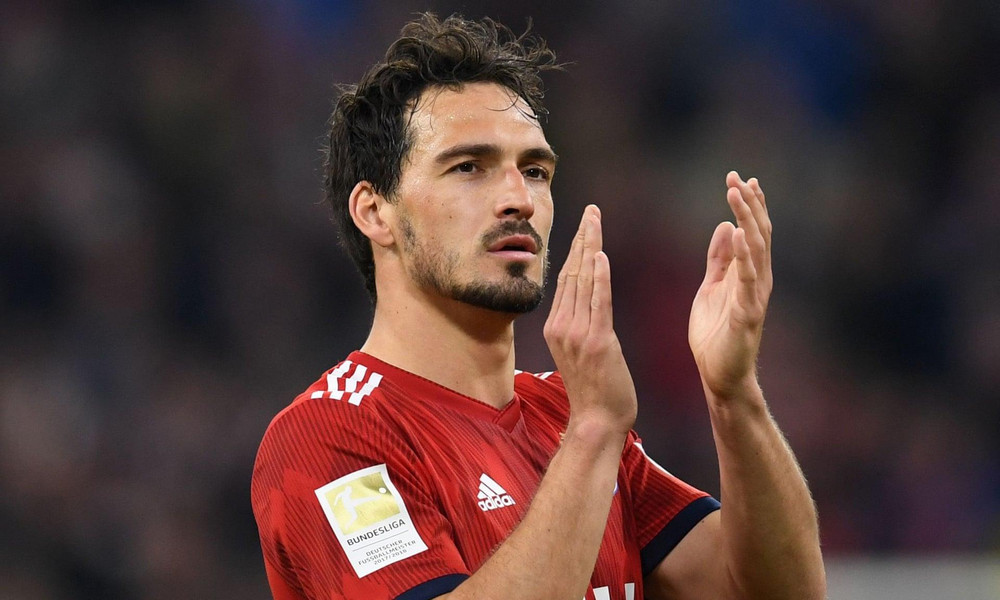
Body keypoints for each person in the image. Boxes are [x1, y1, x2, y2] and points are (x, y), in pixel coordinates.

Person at [250, 13, 825, 600]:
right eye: (468, 167)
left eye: (534, 171)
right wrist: (594, 432)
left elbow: (774, 593)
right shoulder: (330, 434)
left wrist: (733, 394)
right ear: (375, 212)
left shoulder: (561, 415)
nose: (519, 199)